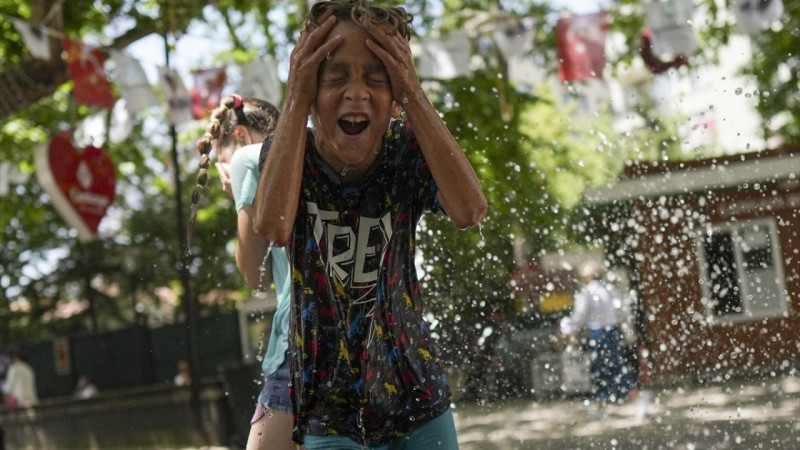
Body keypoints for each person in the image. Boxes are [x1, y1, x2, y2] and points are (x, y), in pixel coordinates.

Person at [252, 1, 488, 448]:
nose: (356, 92)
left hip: (416, 395)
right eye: (335, 77)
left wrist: (415, 95)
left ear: (395, 91)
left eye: (376, 78)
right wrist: (294, 97)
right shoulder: (288, 153)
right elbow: (274, 227)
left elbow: (469, 211)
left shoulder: (405, 150)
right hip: (328, 408)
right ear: (308, 85)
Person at [188, 93, 297, 450]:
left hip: (296, 337)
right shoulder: (302, 157)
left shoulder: (247, 161)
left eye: (222, 161)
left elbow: (253, 276)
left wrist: (240, 193)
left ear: (240, 138)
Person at [561, 260, 632, 411]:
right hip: (612, 330)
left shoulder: (586, 293)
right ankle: (621, 394)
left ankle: (603, 397)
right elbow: (621, 310)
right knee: (616, 362)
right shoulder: (609, 289)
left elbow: (579, 315)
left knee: (599, 365)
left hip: (597, 332)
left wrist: (570, 330)